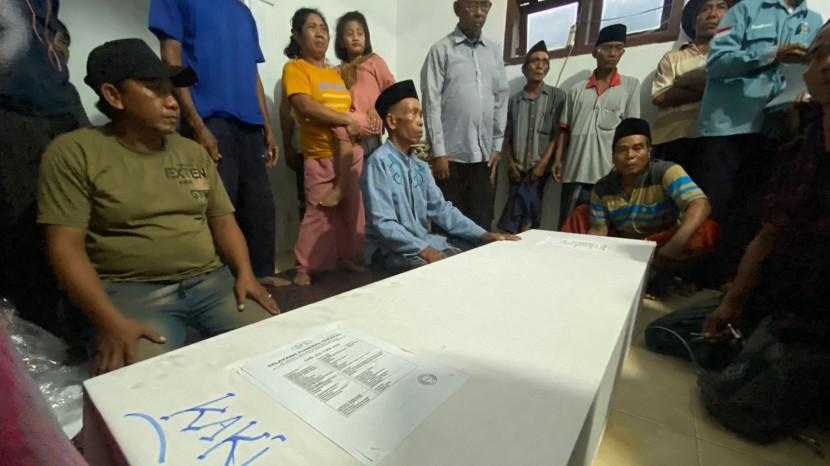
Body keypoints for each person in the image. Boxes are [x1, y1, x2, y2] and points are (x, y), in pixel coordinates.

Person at [37, 39, 279, 375]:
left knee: (278, 346)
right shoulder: (75, 153)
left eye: (171, 91)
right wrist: (108, 321)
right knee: (141, 380)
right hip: (133, 293)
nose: (172, 102)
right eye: (156, 91)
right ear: (114, 96)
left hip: (211, 282)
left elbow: (224, 222)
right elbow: (65, 248)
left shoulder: (192, 152)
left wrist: (246, 274)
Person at [648, 24, 830, 441]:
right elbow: (769, 233)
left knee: (740, 408)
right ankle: (758, 352)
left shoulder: (668, 170)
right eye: (818, 54)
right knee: (663, 333)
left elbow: (701, 207)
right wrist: (734, 300)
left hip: (819, 319)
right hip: (775, 303)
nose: (826, 64)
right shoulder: (799, 145)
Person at [149, 0, 287, 288]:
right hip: (209, 117)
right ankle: (219, 284)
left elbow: (253, 76)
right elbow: (171, 58)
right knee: (218, 206)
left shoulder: (242, 12)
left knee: (259, 205)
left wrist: (267, 128)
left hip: (249, 123)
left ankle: (260, 275)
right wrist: (196, 123)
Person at [694, 0, 822, 286]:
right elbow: (715, 63)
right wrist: (772, 54)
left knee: (755, 209)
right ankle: (700, 276)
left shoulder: (813, 21)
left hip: (777, 129)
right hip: (728, 125)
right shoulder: (745, 10)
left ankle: (732, 279)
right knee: (716, 204)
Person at [361, 80, 520, 273]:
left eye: (421, 114)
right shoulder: (378, 163)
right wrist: (424, 250)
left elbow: (441, 209)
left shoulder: (420, 166)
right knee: (427, 267)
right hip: (388, 249)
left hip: (422, 241)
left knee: (476, 250)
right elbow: (384, 224)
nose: (420, 121)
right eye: (413, 113)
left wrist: (482, 234)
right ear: (392, 121)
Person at [0, 0, 89, 336]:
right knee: (26, 228)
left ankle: (89, 320)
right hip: (10, 109)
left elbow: (46, 23)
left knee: (92, 208)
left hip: (60, 99)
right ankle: (49, 337)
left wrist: (57, 46)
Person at [565, 118, 716, 296]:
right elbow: (599, 231)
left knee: (706, 229)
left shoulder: (666, 171)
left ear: (649, 151)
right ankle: (574, 270)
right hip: (623, 249)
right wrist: (587, 258)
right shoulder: (602, 187)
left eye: (637, 148)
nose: (630, 156)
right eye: (622, 150)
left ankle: (675, 278)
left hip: (662, 247)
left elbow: (700, 203)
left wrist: (676, 244)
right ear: (613, 156)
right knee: (581, 213)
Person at [282, 8, 365, 286]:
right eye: (312, 27)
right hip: (320, 155)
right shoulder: (295, 68)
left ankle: (346, 257)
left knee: (351, 211)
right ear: (297, 35)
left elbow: (348, 108)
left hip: (350, 153)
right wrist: (345, 120)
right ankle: (304, 266)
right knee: (318, 213)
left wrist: (359, 121)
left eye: (323, 28)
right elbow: (304, 105)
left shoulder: (334, 73)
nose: (320, 33)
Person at [420, 0, 509, 231]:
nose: (479, 12)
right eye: (472, 5)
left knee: (481, 224)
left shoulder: (493, 52)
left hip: (484, 157)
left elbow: (501, 98)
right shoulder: (441, 50)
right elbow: (431, 103)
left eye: (484, 6)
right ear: (457, 9)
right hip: (450, 158)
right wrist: (438, 151)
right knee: (447, 225)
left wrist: (497, 144)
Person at [553, 24, 641, 229]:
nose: (612, 53)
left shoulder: (630, 86)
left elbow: (631, 131)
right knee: (567, 229)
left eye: (618, 48)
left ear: (623, 53)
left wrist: (625, 166)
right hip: (575, 171)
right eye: (607, 47)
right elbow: (564, 128)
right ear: (595, 52)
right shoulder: (575, 90)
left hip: (609, 173)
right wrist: (558, 159)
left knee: (606, 230)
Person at [651, 0, 733, 172]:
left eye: (721, 7)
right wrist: (715, 88)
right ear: (693, 22)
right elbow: (660, 97)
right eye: (705, 9)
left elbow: (734, 91)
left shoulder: (736, 57)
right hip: (671, 141)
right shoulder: (672, 58)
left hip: (719, 140)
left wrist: (685, 82)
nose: (712, 14)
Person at [498, 40, 566, 233]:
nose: (540, 65)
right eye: (535, 61)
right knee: (515, 212)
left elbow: (557, 134)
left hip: (539, 170)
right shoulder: (514, 101)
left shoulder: (557, 97)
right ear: (525, 68)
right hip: (516, 169)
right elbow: (507, 135)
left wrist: (543, 164)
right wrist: (510, 164)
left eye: (545, 62)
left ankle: (519, 241)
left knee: (530, 214)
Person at [335, 10, 395, 158]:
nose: (355, 37)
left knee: (371, 168)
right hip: (348, 132)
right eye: (349, 34)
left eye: (360, 33)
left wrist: (377, 108)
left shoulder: (373, 61)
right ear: (341, 42)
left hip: (370, 131)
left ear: (366, 39)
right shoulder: (337, 71)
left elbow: (392, 91)